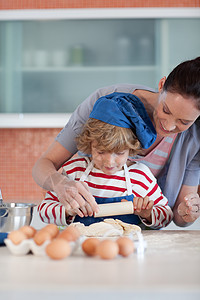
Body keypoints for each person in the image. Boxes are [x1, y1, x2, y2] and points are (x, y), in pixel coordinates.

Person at [32, 56, 200, 227]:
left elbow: (176, 215)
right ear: (161, 84)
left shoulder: (144, 174)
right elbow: (44, 165)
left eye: (184, 122)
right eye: (166, 110)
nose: (169, 127)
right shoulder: (106, 104)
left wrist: (188, 210)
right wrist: (61, 185)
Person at [38, 93, 173, 229]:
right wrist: (68, 211)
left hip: (127, 247)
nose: (109, 162)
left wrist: (147, 214)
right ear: (90, 144)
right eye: (100, 152)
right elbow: (44, 211)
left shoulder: (141, 176)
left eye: (119, 153)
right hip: (84, 247)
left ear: (131, 147)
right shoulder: (75, 171)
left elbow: (166, 215)